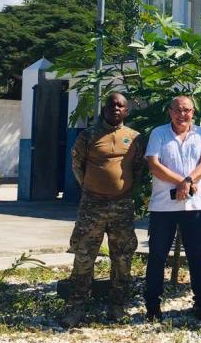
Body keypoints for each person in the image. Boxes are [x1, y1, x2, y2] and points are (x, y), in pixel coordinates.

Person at [62, 92, 146, 326]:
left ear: (127, 111)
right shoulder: (88, 136)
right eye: (112, 105)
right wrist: (93, 188)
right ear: (104, 108)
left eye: (121, 106)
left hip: (122, 206)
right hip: (92, 206)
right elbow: (78, 166)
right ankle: (76, 308)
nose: (116, 108)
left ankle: (117, 306)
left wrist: (124, 189)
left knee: (122, 258)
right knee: (84, 256)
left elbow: (138, 169)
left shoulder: (135, 138)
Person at [144, 95, 201, 322]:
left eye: (187, 110)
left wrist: (188, 181)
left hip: (194, 206)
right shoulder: (158, 133)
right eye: (177, 110)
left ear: (193, 112)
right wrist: (181, 182)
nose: (182, 114)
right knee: (157, 256)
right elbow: (154, 164)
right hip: (163, 207)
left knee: (196, 256)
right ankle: (153, 306)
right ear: (170, 111)